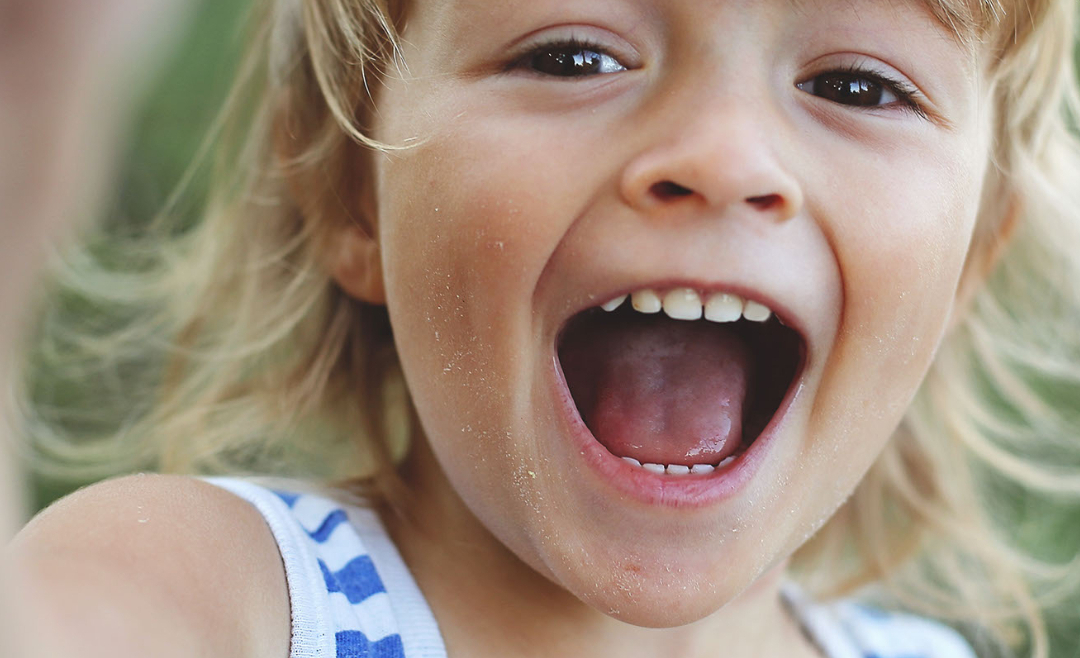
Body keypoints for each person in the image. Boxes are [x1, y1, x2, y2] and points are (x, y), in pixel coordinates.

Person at [3, 0, 1080, 656]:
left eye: (856, 84)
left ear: (970, 258)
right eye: (573, 56)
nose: (722, 157)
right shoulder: (220, 595)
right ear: (346, 188)